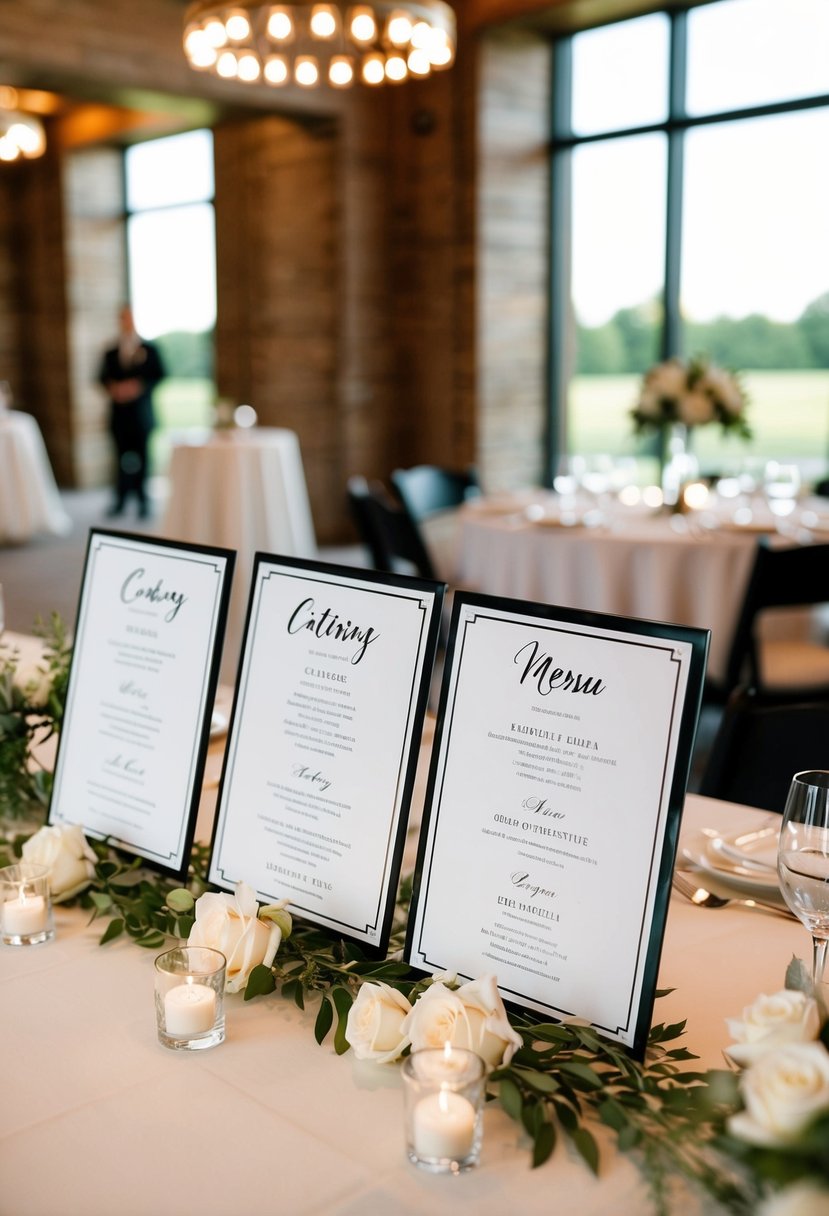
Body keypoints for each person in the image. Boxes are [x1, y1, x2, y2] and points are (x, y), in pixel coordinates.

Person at [98, 305, 165, 519]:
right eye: (123, 318)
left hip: (141, 414)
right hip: (119, 415)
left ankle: (144, 501)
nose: (127, 322)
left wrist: (138, 387)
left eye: (130, 318)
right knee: (119, 458)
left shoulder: (150, 349)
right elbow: (100, 377)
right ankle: (120, 499)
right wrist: (114, 388)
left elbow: (160, 375)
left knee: (144, 458)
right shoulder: (110, 351)